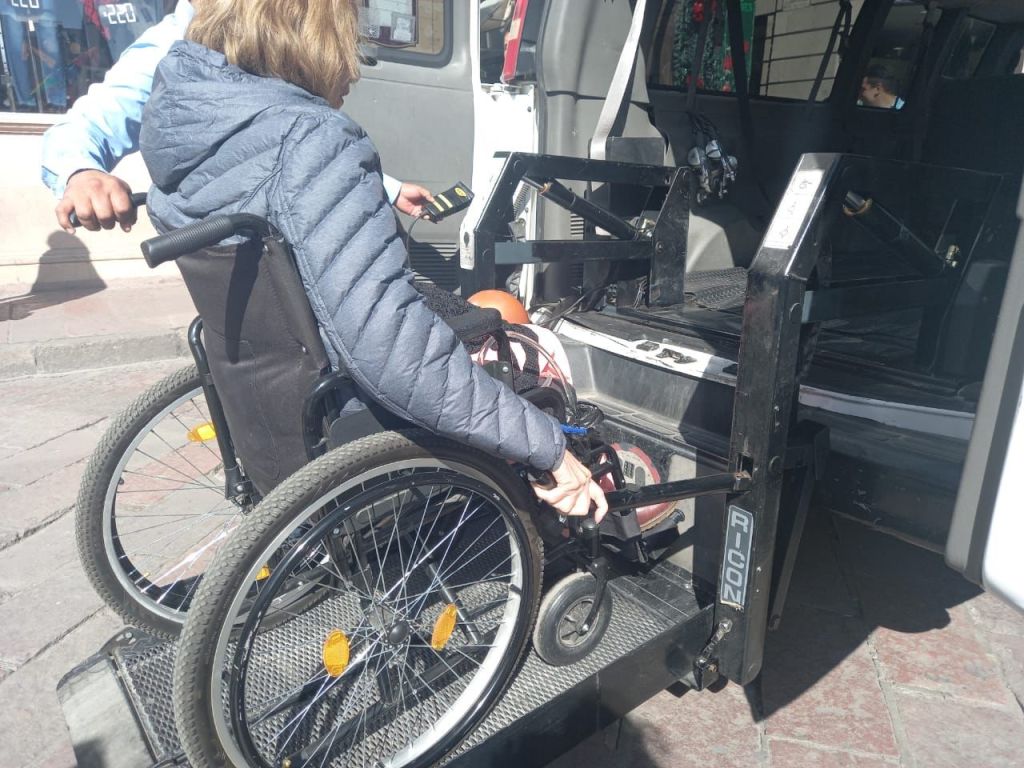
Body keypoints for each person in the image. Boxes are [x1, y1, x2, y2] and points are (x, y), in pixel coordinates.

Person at [139, 0, 607, 522]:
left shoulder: (189, 132)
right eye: (350, 39)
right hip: (347, 413)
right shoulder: (313, 138)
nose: (355, 67)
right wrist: (545, 446)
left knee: (470, 309)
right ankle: (584, 490)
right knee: (532, 344)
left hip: (268, 407)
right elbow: (392, 352)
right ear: (310, 38)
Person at [40, 0, 433, 233]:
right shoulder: (174, 43)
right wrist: (82, 174)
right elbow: (86, 125)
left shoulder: (271, 28)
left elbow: (285, 149)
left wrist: (387, 187)